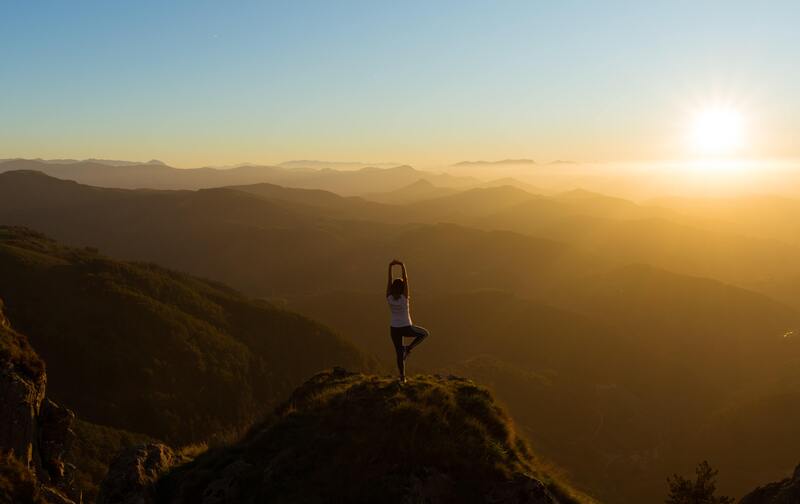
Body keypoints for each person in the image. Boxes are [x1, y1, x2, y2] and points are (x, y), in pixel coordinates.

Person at [386, 259, 429, 383]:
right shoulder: (404, 298)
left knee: (398, 354)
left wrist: (390, 267)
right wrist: (402, 265)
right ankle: (408, 348)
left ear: (392, 288)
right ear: (402, 288)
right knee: (424, 334)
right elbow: (406, 280)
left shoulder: (389, 298)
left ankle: (402, 377)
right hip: (406, 327)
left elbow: (389, 281)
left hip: (394, 329)